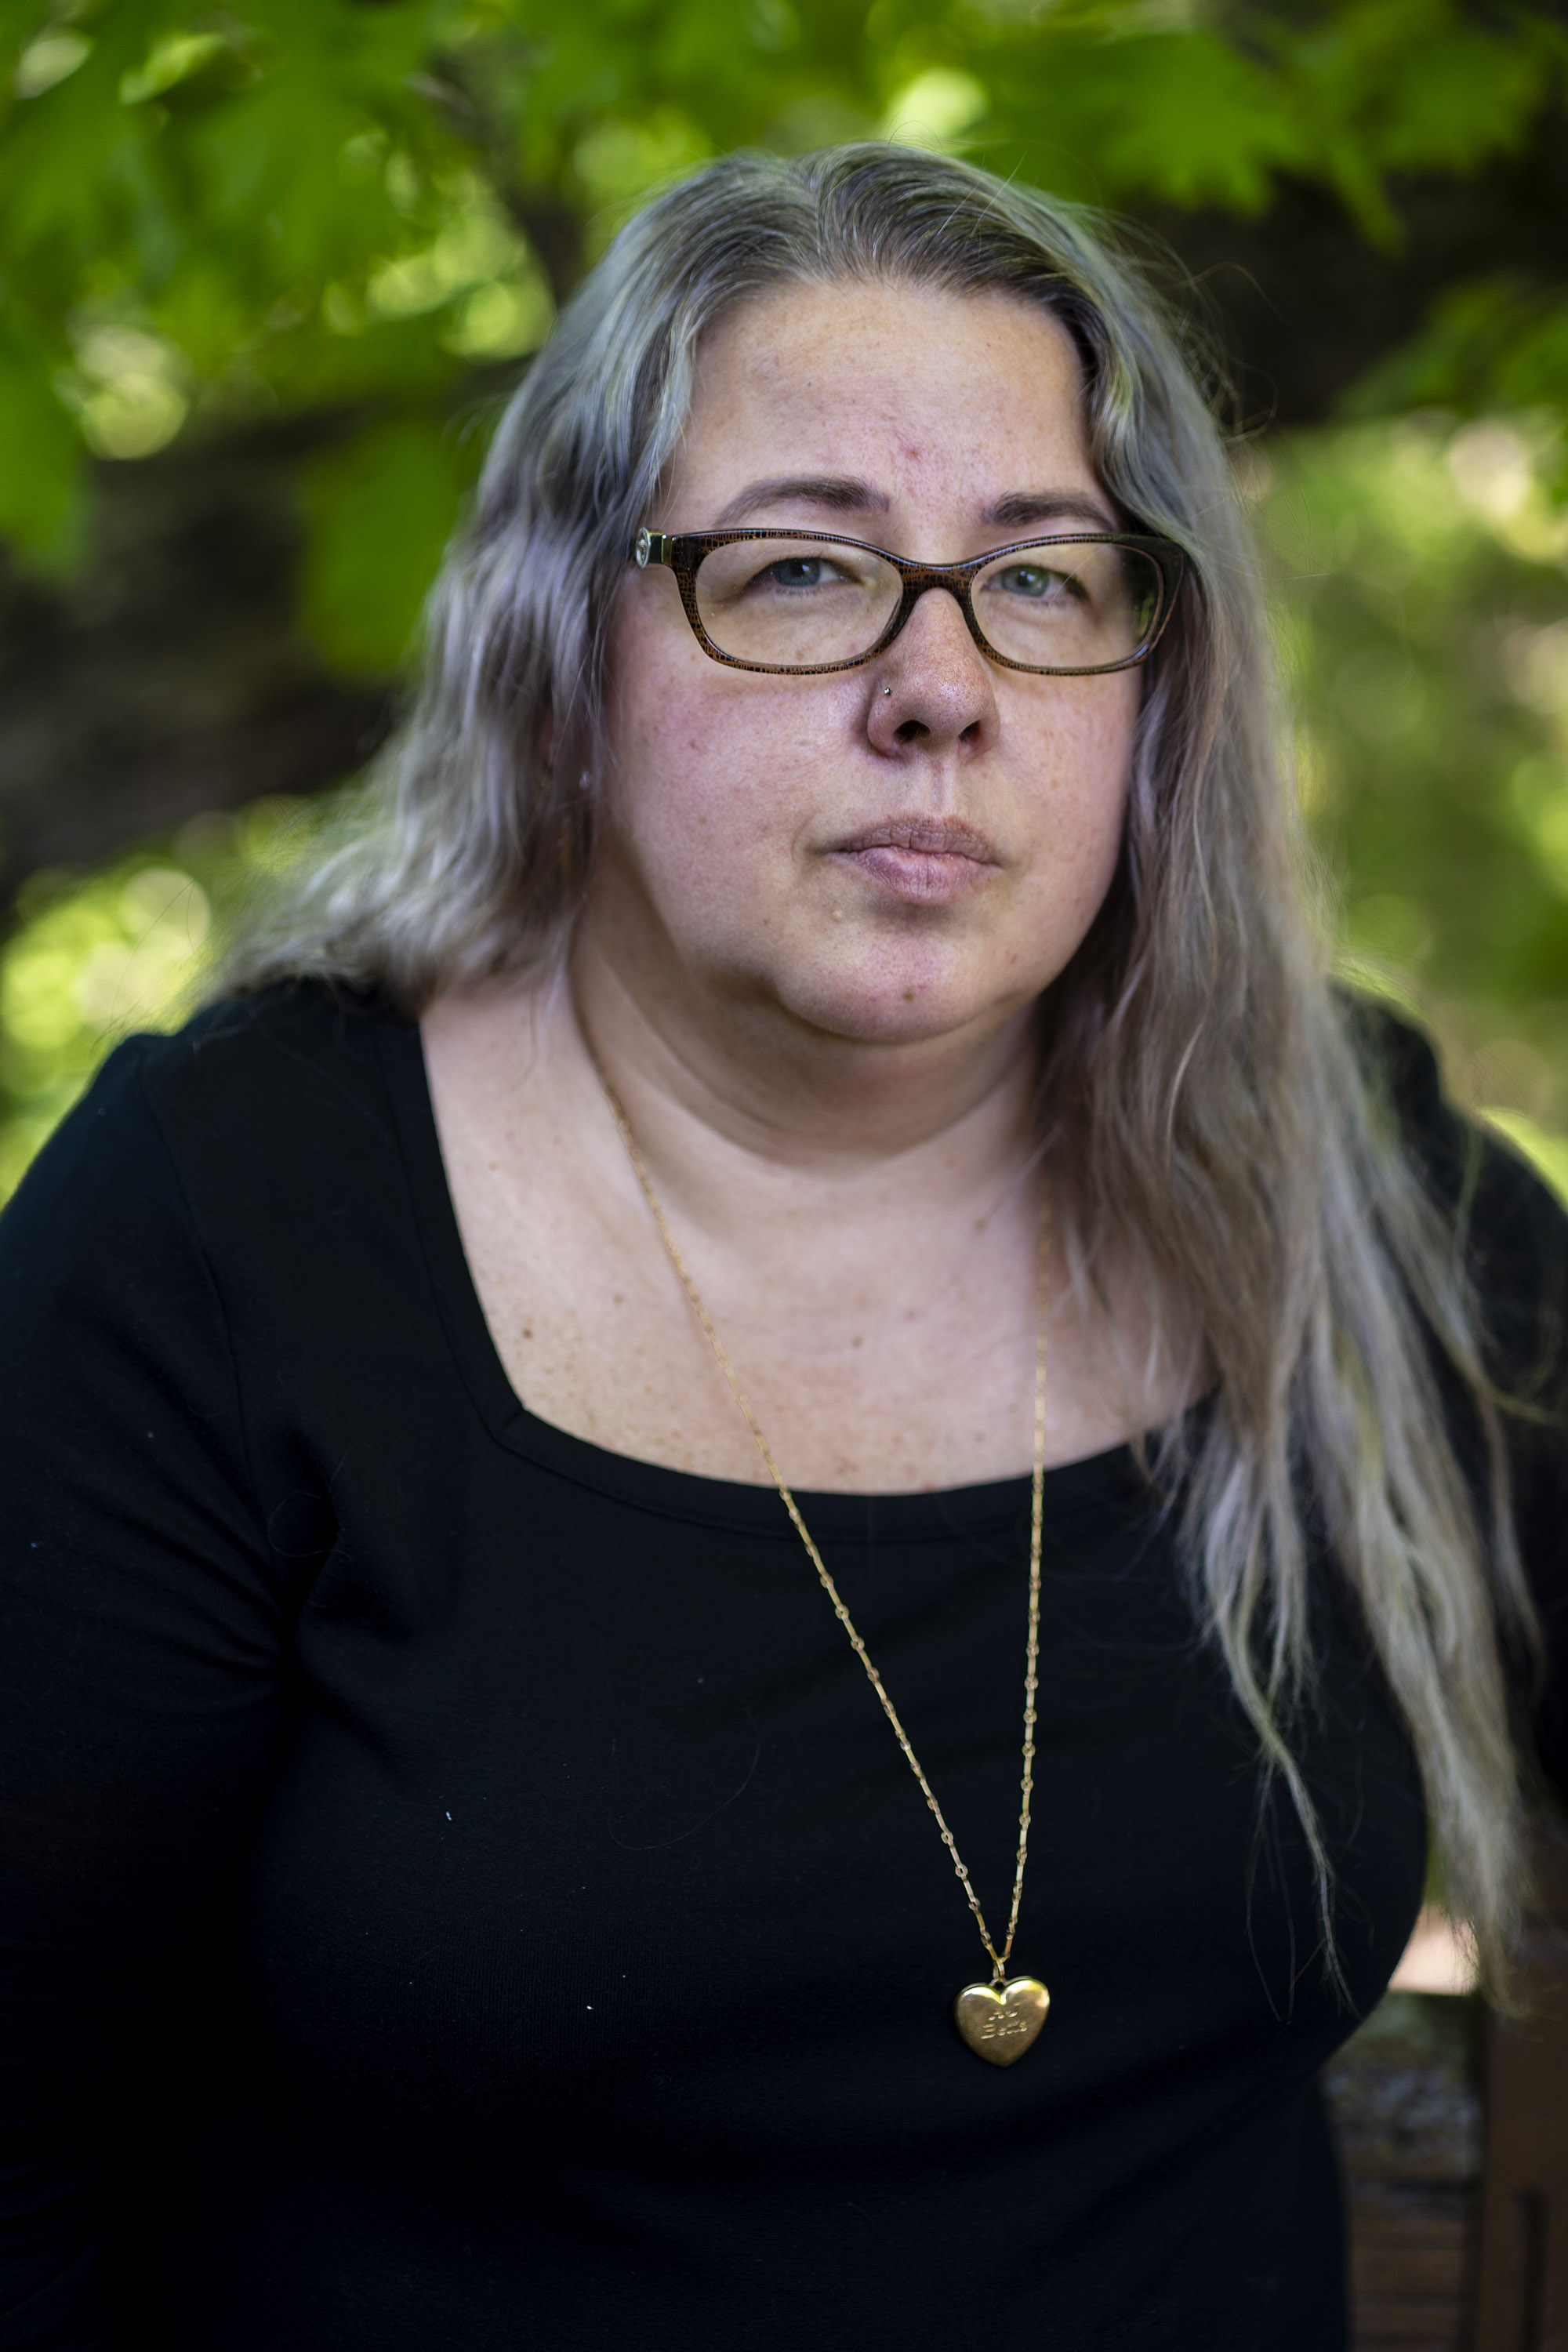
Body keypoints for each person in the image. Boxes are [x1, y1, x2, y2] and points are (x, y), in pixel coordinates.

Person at [1, 143, 1564, 2352]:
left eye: (1044, 580)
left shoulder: (1358, 1188)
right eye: (807, 568)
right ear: (567, 645)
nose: (941, 688)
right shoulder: (231, 1226)